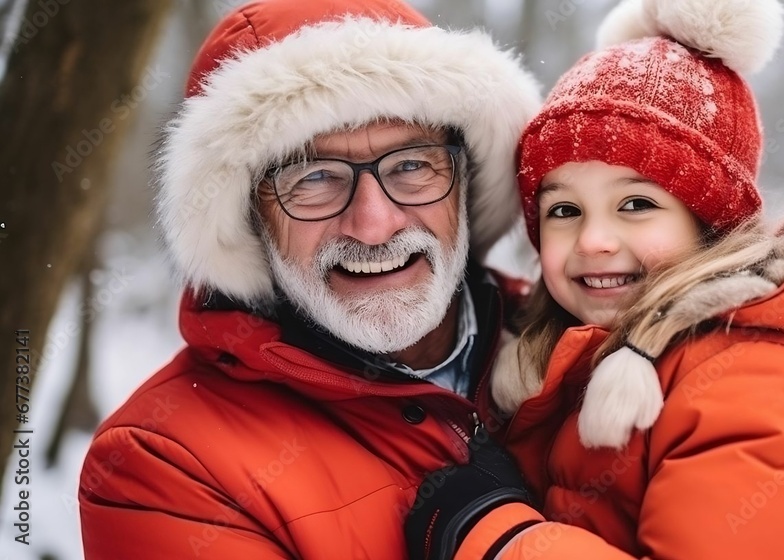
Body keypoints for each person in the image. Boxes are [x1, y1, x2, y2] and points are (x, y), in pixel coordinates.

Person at [403, 0, 784, 558]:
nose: (593, 241)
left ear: (711, 224)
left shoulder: (752, 384)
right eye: (564, 211)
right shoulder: (558, 363)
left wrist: (501, 539)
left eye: (634, 203)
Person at [77, 0, 544, 557]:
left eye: (412, 166)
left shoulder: (592, 348)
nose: (374, 226)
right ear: (250, 217)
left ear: (464, 179)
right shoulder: (162, 462)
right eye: (315, 177)